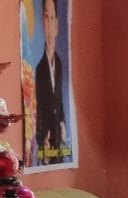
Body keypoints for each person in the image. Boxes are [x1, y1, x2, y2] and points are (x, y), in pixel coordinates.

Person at [34, 0, 66, 164]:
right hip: (46, 140)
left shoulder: (59, 64)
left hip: (59, 136)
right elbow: (38, 108)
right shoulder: (39, 69)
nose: (49, 24)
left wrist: (63, 123)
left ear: (57, 25)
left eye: (52, 18)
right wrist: (42, 139)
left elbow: (59, 100)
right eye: (46, 17)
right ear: (42, 22)